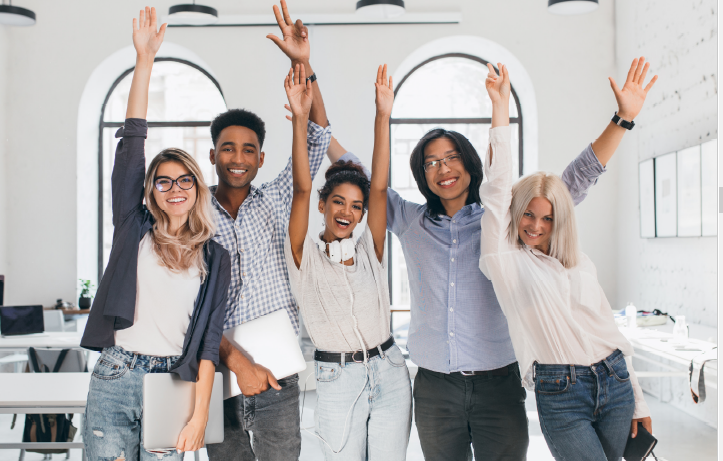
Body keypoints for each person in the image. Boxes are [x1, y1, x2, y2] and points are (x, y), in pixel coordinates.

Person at [333, 56, 655, 460]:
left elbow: (573, 181)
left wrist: (621, 120)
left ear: (470, 162)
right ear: (421, 173)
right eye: (431, 162)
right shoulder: (410, 220)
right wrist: (319, 121)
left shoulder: (503, 221)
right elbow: (361, 178)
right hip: (436, 387)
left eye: (451, 157)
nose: (442, 168)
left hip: (498, 384)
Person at [478, 60, 656, 460]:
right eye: (527, 214)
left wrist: (639, 400)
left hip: (615, 381)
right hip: (561, 392)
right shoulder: (505, 259)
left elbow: (608, 331)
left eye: (547, 217)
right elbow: (497, 187)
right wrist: (500, 107)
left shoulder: (578, 263)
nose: (536, 225)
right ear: (514, 212)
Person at [80, 7, 230, 460]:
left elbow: (209, 343)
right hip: (117, 376)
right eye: (162, 180)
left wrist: (201, 414)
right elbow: (132, 146)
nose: (175, 188)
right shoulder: (133, 228)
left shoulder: (215, 256)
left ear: (197, 187)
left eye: (184, 179)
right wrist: (144, 60)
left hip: (173, 381)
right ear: (150, 192)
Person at [204, 1, 333, 459]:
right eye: (227, 149)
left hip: (278, 367)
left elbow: (318, 134)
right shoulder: (192, 214)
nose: (237, 158)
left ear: (261, 158)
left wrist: (303, 62)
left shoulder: (280, 198)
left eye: (248, 150)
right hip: (214, 368)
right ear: (213, 155)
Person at [284, 63, 412, 460]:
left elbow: (378, 187)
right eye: (338, 201)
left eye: (356, 207)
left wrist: (382, 116)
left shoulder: (369, 250)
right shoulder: (303, 256)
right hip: (337, 379)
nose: (347, 212)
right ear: (324, 205)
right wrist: (300, 121)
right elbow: (302, 187)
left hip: (390, 370)